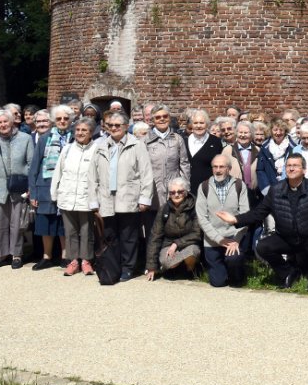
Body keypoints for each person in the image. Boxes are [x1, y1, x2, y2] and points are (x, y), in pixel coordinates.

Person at [220, 153, 308, 289]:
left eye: (295, 166)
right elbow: (258, 213)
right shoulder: (275, 190)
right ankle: (288, 272)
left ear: (304, 170)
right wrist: (235, 219)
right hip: (286, 237)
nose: (291, 169)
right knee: (262, 247)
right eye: (289, 166)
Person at [94, 111, 156, 282]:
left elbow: (146, 174)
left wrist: (145, 198)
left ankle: (128, 268)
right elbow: (93, 176)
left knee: (128, 237)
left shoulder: (136, 145)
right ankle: (113, 266)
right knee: (110, 235)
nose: (113, 128)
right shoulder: (100, 146)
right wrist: (94, 201)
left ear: (125, 127)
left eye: (117, 125)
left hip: (128, 197)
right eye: (110, 125)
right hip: (106, 199)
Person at [0, 109, 35, 270]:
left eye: (6, 121)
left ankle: (17, 255)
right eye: (0, 122)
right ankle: (2, 255)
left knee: (17, 223)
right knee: (0, 224)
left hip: (19, 188)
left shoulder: (25, 139)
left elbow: (31, 164)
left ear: (12, 122)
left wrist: (31, 186)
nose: (3, 124)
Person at [50, 117, 100, 276]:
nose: (80, 133)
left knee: (87, 232)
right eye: (78, 130)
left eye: (84, 130)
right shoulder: (67, 149)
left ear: (91, 132)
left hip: (86, 198)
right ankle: (73, 261)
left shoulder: (97, 149)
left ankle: (86, 261)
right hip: (67, 196)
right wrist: (55, 194)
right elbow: (58, 172)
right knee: (70, 231)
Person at [194, 153, 252, 287]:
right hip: (212, 239)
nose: (218, 170)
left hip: (233, 237)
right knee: (217, 283)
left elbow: (245, 215)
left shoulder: (239, 185)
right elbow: (202, 218)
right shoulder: (204, 187)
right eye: (215, 167)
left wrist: (236, 240)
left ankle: (236, 273)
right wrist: (219, 239)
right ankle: (223, 272)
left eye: (221, 167)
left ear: (229, 168)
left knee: (235, 266)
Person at [27, 105, 72, 271]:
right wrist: (33, 191)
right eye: (59, 118)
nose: (62, 121)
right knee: (46, 222)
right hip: (45, 185)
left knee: (63, 222)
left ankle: (65, 256)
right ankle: (46, 256)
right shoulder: (44, 138)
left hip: (67, 186)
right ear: (53, 120)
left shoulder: (74, 138)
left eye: (65, 118)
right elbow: (34, 167)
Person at [145, 103, 192, 252]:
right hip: (154, 191)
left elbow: (184, 164)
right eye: (158, 117)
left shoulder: (177, 139)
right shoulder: (144, 140)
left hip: (174, 192)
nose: (162, 119)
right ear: (152, 120)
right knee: (153, 229)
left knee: (172, 228)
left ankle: (170, 259)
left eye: (165, 116)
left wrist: (186, 188)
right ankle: (152, 260)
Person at [145, 177, 202, 280]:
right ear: (169, 194)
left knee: (193, 252)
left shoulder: (195, 207)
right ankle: (173, 268)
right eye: (172, 192)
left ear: (185, 192)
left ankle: (190, 271)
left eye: (180, 192)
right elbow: (155, 237)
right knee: (167, 262)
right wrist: (151, 267)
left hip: (189, 243)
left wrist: (176, 244)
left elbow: (197, 233)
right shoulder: (164, 209)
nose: (176, 195)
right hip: (168, 244)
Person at [185, 109, 223, 194]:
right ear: (191, 125)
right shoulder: (184, 142)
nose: (199, 126)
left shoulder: (215, 142)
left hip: (209, 189)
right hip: (187, 190)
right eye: (195, 123)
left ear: (207, 124)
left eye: (202, 123)